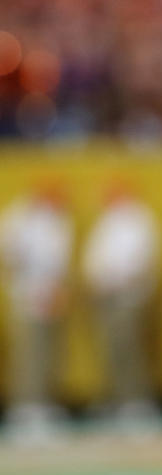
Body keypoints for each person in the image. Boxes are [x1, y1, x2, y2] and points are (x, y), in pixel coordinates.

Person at [82, 180, 160, 421]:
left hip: (128, 296)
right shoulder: (106, 222)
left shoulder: (139, 220)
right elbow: (94, 258)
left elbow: (141, 260)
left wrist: (118, 279)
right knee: (111, 350)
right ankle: (116, 398)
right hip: (105, 298)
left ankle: (136, 401)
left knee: (129, 348)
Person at [0, 180, 72, 441]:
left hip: (49, 297)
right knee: (28, 355)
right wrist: (31, 288)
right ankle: (26, 407)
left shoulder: (55, 222)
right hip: (26, 297)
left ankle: (44, 403)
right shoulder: (18, 219)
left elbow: (56, 262)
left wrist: (55, 290)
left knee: (47, 354)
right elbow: (11, 257)